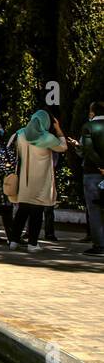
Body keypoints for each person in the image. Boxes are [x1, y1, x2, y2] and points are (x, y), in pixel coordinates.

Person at [6, 109, 68, 252]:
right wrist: (58, 129)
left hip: (23, 179)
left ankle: (13, 241)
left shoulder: (20, 134)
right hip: (41, 181)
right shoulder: (47, 138)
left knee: (22, 210)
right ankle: (32, 244)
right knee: (37, 212)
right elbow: (63, 147)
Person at [79, 100, 104, 256]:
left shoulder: (88, 127)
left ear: (92, 112)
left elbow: (88, 149)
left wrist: (101, 166)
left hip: (93, 172)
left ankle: (100, 246)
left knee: (94, 209)